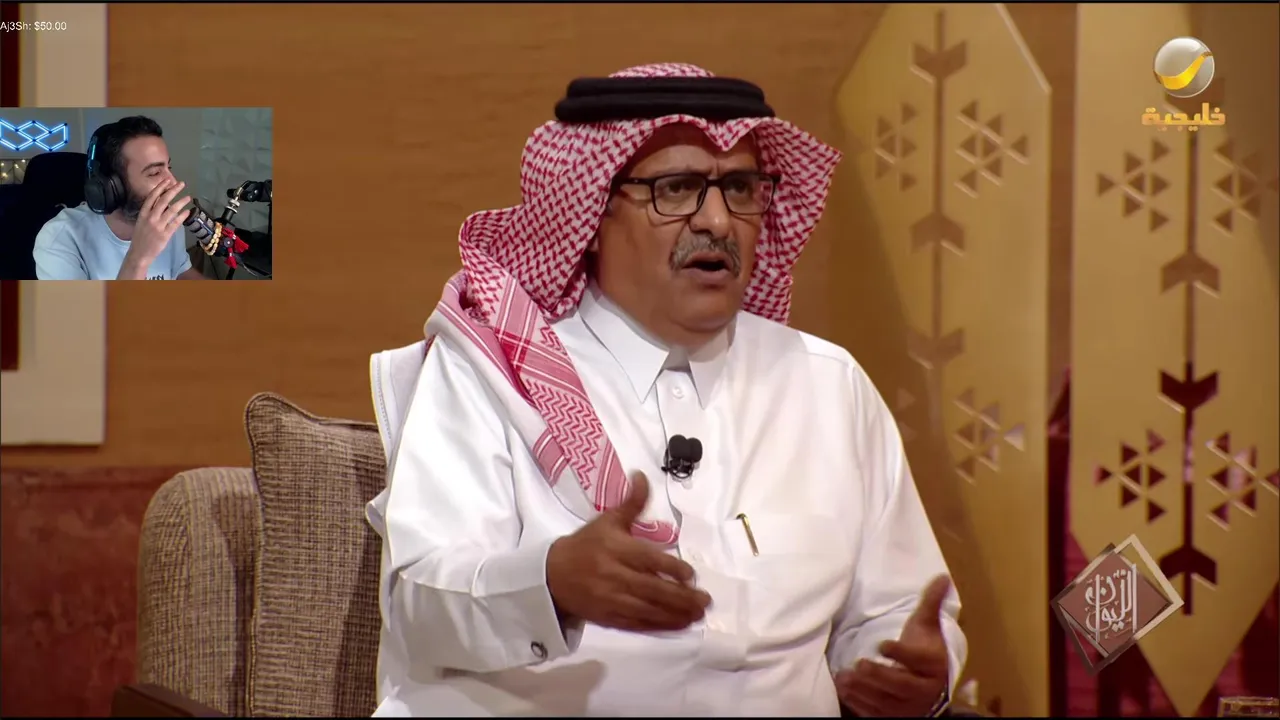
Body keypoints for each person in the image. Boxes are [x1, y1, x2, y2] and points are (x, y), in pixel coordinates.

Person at [366, 63, 966, 717]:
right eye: (676, 189)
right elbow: (418, 603)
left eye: (739, 188)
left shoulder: (829, 385)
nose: (718, 221)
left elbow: (896, 613)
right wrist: (551, 581)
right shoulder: (493, 373)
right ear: (592, 210)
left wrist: (914, 679)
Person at [33, 116, 204, 280]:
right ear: (113, 186)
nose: (173, 182)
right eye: (154, 173)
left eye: (169, 167)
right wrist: (139, 257)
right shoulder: (60, 238)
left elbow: (180, 272)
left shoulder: (167, 220)